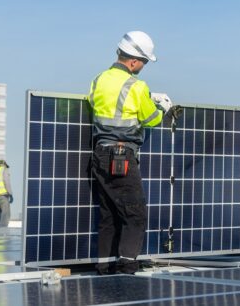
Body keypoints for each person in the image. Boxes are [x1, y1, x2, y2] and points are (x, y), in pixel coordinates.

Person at [88, 30, 172, 275]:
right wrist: (162, 108)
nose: (143, 67)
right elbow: (151, 118)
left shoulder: (98, 79)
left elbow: (98, 103)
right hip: (122, 155)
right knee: (135, 214)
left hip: (100, 153)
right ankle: (126, 268)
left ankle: (104, 266)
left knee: (108, 214)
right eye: (144, 62)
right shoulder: (136, 86)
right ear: (134, 60)